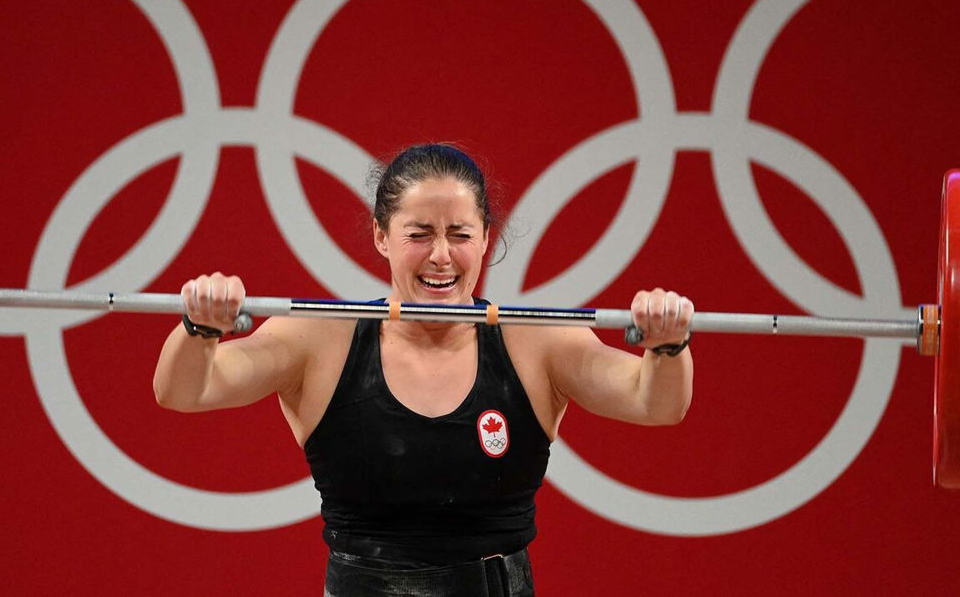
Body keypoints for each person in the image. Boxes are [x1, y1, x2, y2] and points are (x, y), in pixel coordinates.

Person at [152, 143, 694, 597]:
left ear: (486, 238)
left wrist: (668, 345)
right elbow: (184, 392)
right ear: (381, 237)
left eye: (460, 234)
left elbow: (656, 403)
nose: (441, 256)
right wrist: (200, 327)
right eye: (418, 234)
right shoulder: (319, 338)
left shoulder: (538, 341)